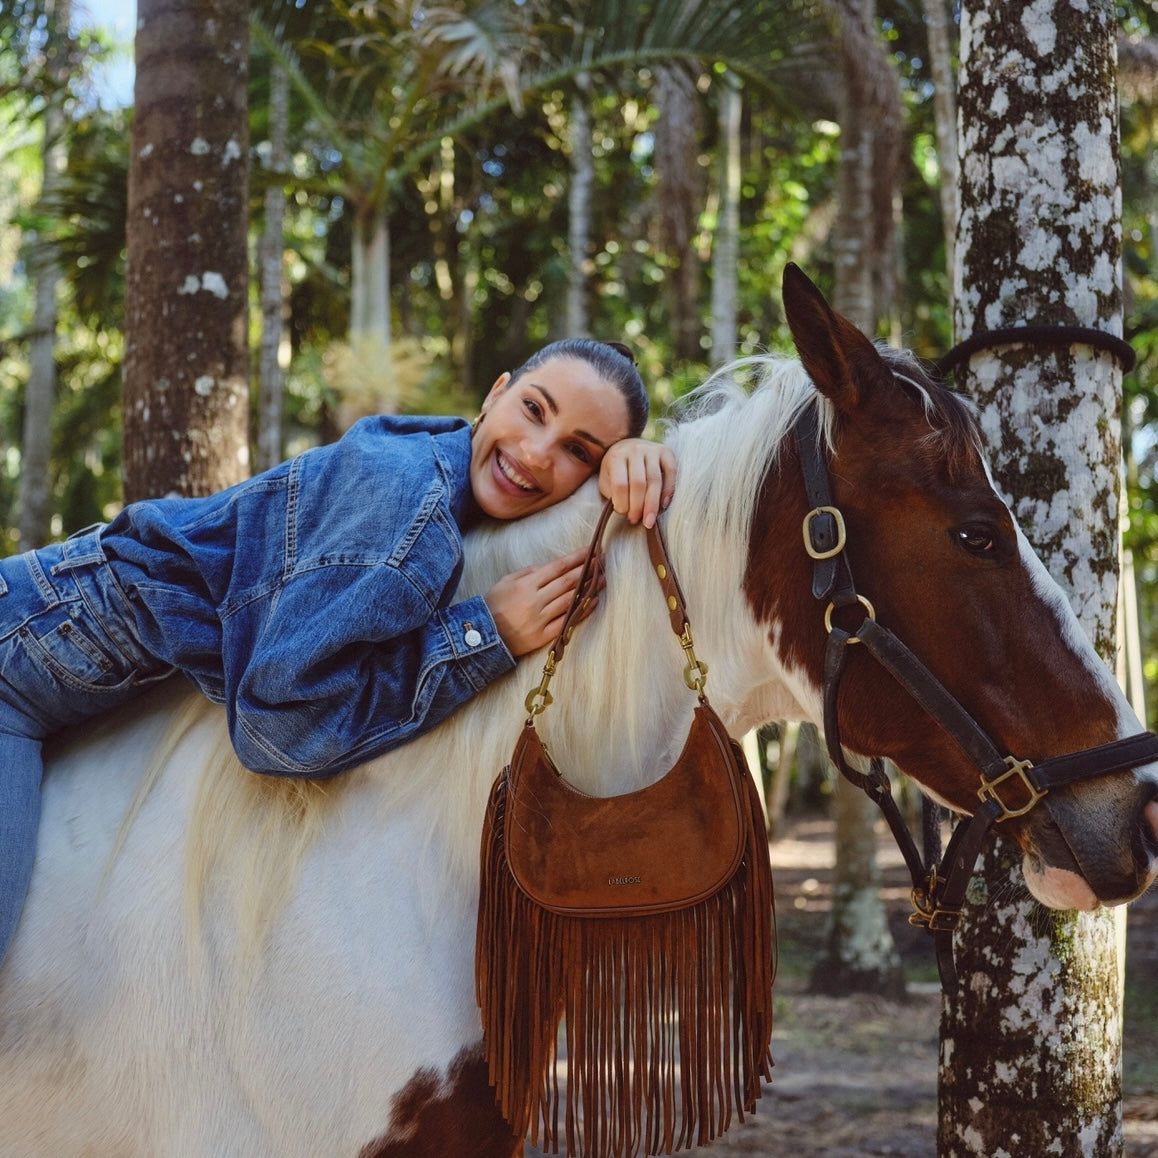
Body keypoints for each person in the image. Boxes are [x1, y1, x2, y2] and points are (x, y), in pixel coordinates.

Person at [0, 338, 676, 967]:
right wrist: (484, 634)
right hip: (18, 659)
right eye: (533, 409)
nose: (534, 453)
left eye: (578, 451)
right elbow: (276, 726)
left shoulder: (435, 456)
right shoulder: (407, 509)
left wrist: (632, 460)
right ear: (496, 393)